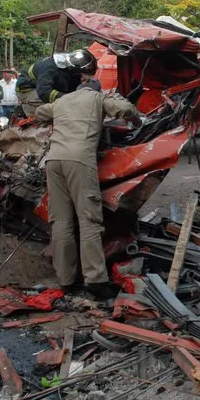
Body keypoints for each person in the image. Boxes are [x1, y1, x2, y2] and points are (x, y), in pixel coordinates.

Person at [35, 72, 140, 299]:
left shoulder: (62, 100)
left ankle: (66, 280)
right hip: (79, 160)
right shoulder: (97, 98)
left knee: (61, 222)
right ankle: (96, 281)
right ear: (96, 89)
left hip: (53, 161)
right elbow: (127, 111)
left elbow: (39, 113)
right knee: (89, 220)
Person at [16, 50, 96, 117]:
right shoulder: (51, 67)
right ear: (75, 71)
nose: (83, 81)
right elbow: (44, 92)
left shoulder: (72, 70)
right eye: (82, 78)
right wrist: (67, 98)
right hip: (28, 89)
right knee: (51, 112)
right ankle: (29, 114)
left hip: (44, 87)